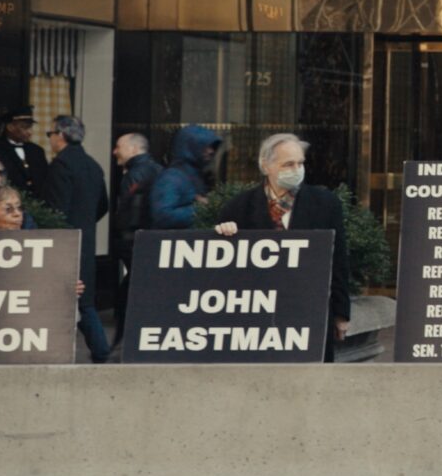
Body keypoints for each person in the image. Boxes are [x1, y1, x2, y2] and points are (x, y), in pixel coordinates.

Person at [209, 134, 355, 360]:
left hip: (309, 312)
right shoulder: (239, 207)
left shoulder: (325, 204)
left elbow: (338, 261)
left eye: (300, 163)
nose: (296, 169)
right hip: (257, 319)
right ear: (266, 166)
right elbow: (224, 269)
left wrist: (341, 314)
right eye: (288, 164)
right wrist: (224, 234)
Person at [41, 116, 113, 364]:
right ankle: (101, 348)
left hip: (65, 242)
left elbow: (55, 211)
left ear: (60, 135)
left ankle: (100, 348)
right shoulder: (92, 165)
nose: (49, 139)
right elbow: (103, 205)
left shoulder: (61, 166)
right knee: (85, 300)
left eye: (50, 133)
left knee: (72, 299)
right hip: (86, 239)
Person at [109, 133, 159, 342]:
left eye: (119, 147)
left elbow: (131, 213)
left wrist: (124, 241)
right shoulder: (154, 169)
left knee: (129, 292)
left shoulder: (136, 174)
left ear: (133, 149)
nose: (114, 152)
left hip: (136, 243)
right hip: (145, 241)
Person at [149, 125, 223, 229]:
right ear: (190, 147)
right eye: (204, 146)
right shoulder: (171, 178)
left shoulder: (195, 175)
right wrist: (202, 208)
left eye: (212, 147)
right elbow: (163, 216)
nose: (211, 151)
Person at [0, 106, 49, 196]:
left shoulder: (37, 151)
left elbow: (45, 180)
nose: (30, 132)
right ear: (10, 127)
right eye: (25, 127)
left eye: (30, 127)